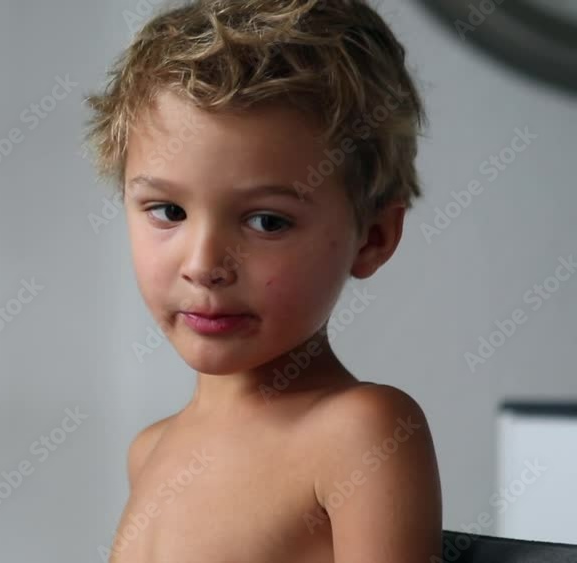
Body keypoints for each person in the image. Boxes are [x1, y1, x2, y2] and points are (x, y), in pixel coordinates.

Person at [82, 1, 443, 561]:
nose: (204, 264)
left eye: (267, 222)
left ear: (372, 238)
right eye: (169, 212)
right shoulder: (149, 452)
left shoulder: (360, 434)